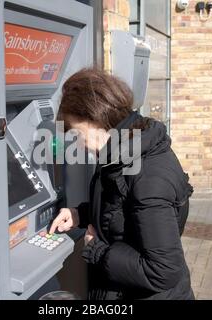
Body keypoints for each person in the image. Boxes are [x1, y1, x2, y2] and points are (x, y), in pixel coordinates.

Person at [49, 68, 195, 300]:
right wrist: (81, 215)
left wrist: (97, 250)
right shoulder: (122, 152)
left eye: (77, 133)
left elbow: (164, 271)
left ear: (94, 117)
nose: (78, 144)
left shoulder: (148, 174)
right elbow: (123, 211)